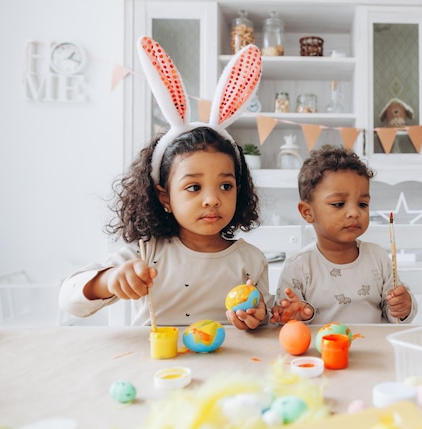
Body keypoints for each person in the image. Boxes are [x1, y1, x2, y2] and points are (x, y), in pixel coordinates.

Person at [59, 37, 268, 330]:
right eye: (194, 187)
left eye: (226, 186)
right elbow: (70, 301)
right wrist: (109, 280)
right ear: (164, 197)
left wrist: (258, 318)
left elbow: (266, 320)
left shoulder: (251, 259)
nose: (212, 199)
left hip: (226, 372)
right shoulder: (146, 253)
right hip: (159, 367)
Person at [270, 145, 418, 325]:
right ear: (307, 212)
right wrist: (295, 317)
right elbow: (283, 320)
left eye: (363, 204)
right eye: (339, 204)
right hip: (322, 351)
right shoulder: (299, 267)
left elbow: (394, 314)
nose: (354, 212)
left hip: (372, 349)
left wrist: (402, 308)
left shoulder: (377, 257)